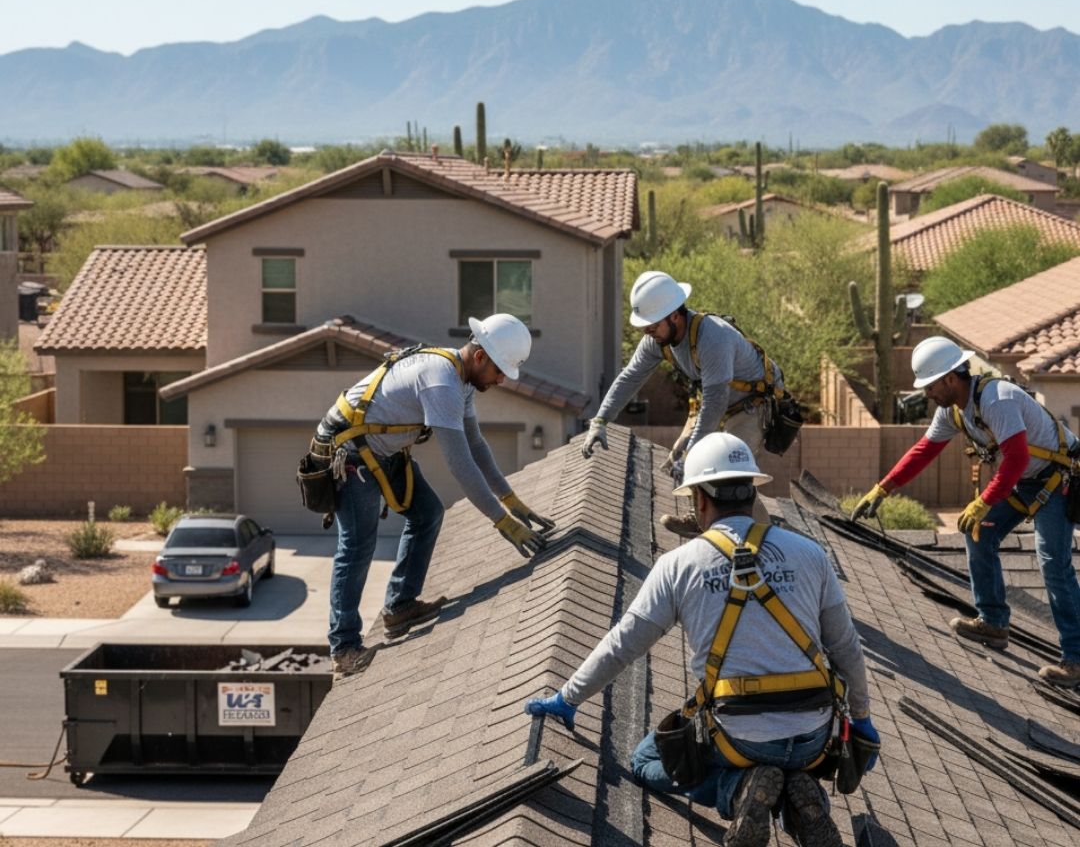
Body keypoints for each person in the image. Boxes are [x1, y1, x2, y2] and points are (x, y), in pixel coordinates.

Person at [527, 432, 876, 847]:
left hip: (736, 738)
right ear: (751, 493)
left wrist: (568, 698)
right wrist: (861, 718)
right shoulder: (809, 553)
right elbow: (847, 648)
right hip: (813, 739)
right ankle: (803, 798)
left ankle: (738, 790)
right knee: (790, 763)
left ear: (699, 500)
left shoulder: (679, 566)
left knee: (646, 759)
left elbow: (624, 643)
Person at [312, 313, 555, 681]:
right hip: (349, 453)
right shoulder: (442, 382)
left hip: (382, 450)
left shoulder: (463, 381)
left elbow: (475, 443)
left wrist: (509, 497)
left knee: (427, 513)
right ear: (479, 357)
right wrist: (502, 522)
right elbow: (460, 464)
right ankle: (344, 648)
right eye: (500, 370)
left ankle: (400, 606)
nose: (502, 379)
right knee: (358, 544)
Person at [852, 335, 1080, 687]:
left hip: (1059, 478)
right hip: (1027, 479)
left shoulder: (997, 399)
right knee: (980, 529)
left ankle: (1076, 659)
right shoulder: (953, 411)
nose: (927, 394)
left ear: (950, 378)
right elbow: (924, 450)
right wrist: (884, 487)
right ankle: (993, 622)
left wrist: (984, 500)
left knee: (1052, 561)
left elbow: (1017, 458)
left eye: (930, 386)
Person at [581, 270, 785, 537]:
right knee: (679, 456)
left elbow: (715, 400)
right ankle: (700, 520)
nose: (648, 332)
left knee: (727, 471)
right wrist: (600, 420)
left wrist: (695, 449)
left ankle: (765, 540)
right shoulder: (658, 340)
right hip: (718, 401)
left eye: (652, 326)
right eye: (645, 327)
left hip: (751, 405)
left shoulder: (713, 338)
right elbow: (630, 377)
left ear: (674, 315)